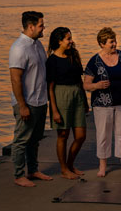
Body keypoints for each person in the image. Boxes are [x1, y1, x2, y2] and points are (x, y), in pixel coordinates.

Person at [84, 27, 121, 177]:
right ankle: (102, 166)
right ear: (102, 44)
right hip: (102, 104)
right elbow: (86, 85)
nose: (114, 44)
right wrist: (97, 85)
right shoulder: (94, 61)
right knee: (103, 135)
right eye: (110, 42)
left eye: (114, 41)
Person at [9, 11, 53, 187]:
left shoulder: (37, 44)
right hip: (26, 103)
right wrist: (22, 106)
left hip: (40, 101)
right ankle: (19, 175)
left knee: (35, 139)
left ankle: (33, 170)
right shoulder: (19, 48)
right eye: (41, 25)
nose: (44, 28)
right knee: (21, 140)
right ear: (31, 26)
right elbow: (15, 78)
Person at [46, 27, 88, 180]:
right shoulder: (52, 60)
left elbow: (79, 79)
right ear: (59, 41)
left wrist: (84, 100)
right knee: (63, 134)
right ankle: (64, 169)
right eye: (68, 39)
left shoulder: (73, 54)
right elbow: (50, 87)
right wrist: (54, 110)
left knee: (81, 135)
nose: (71, 41)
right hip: (60, 94)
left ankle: (70, 164)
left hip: (77, 93)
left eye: (71, 38)